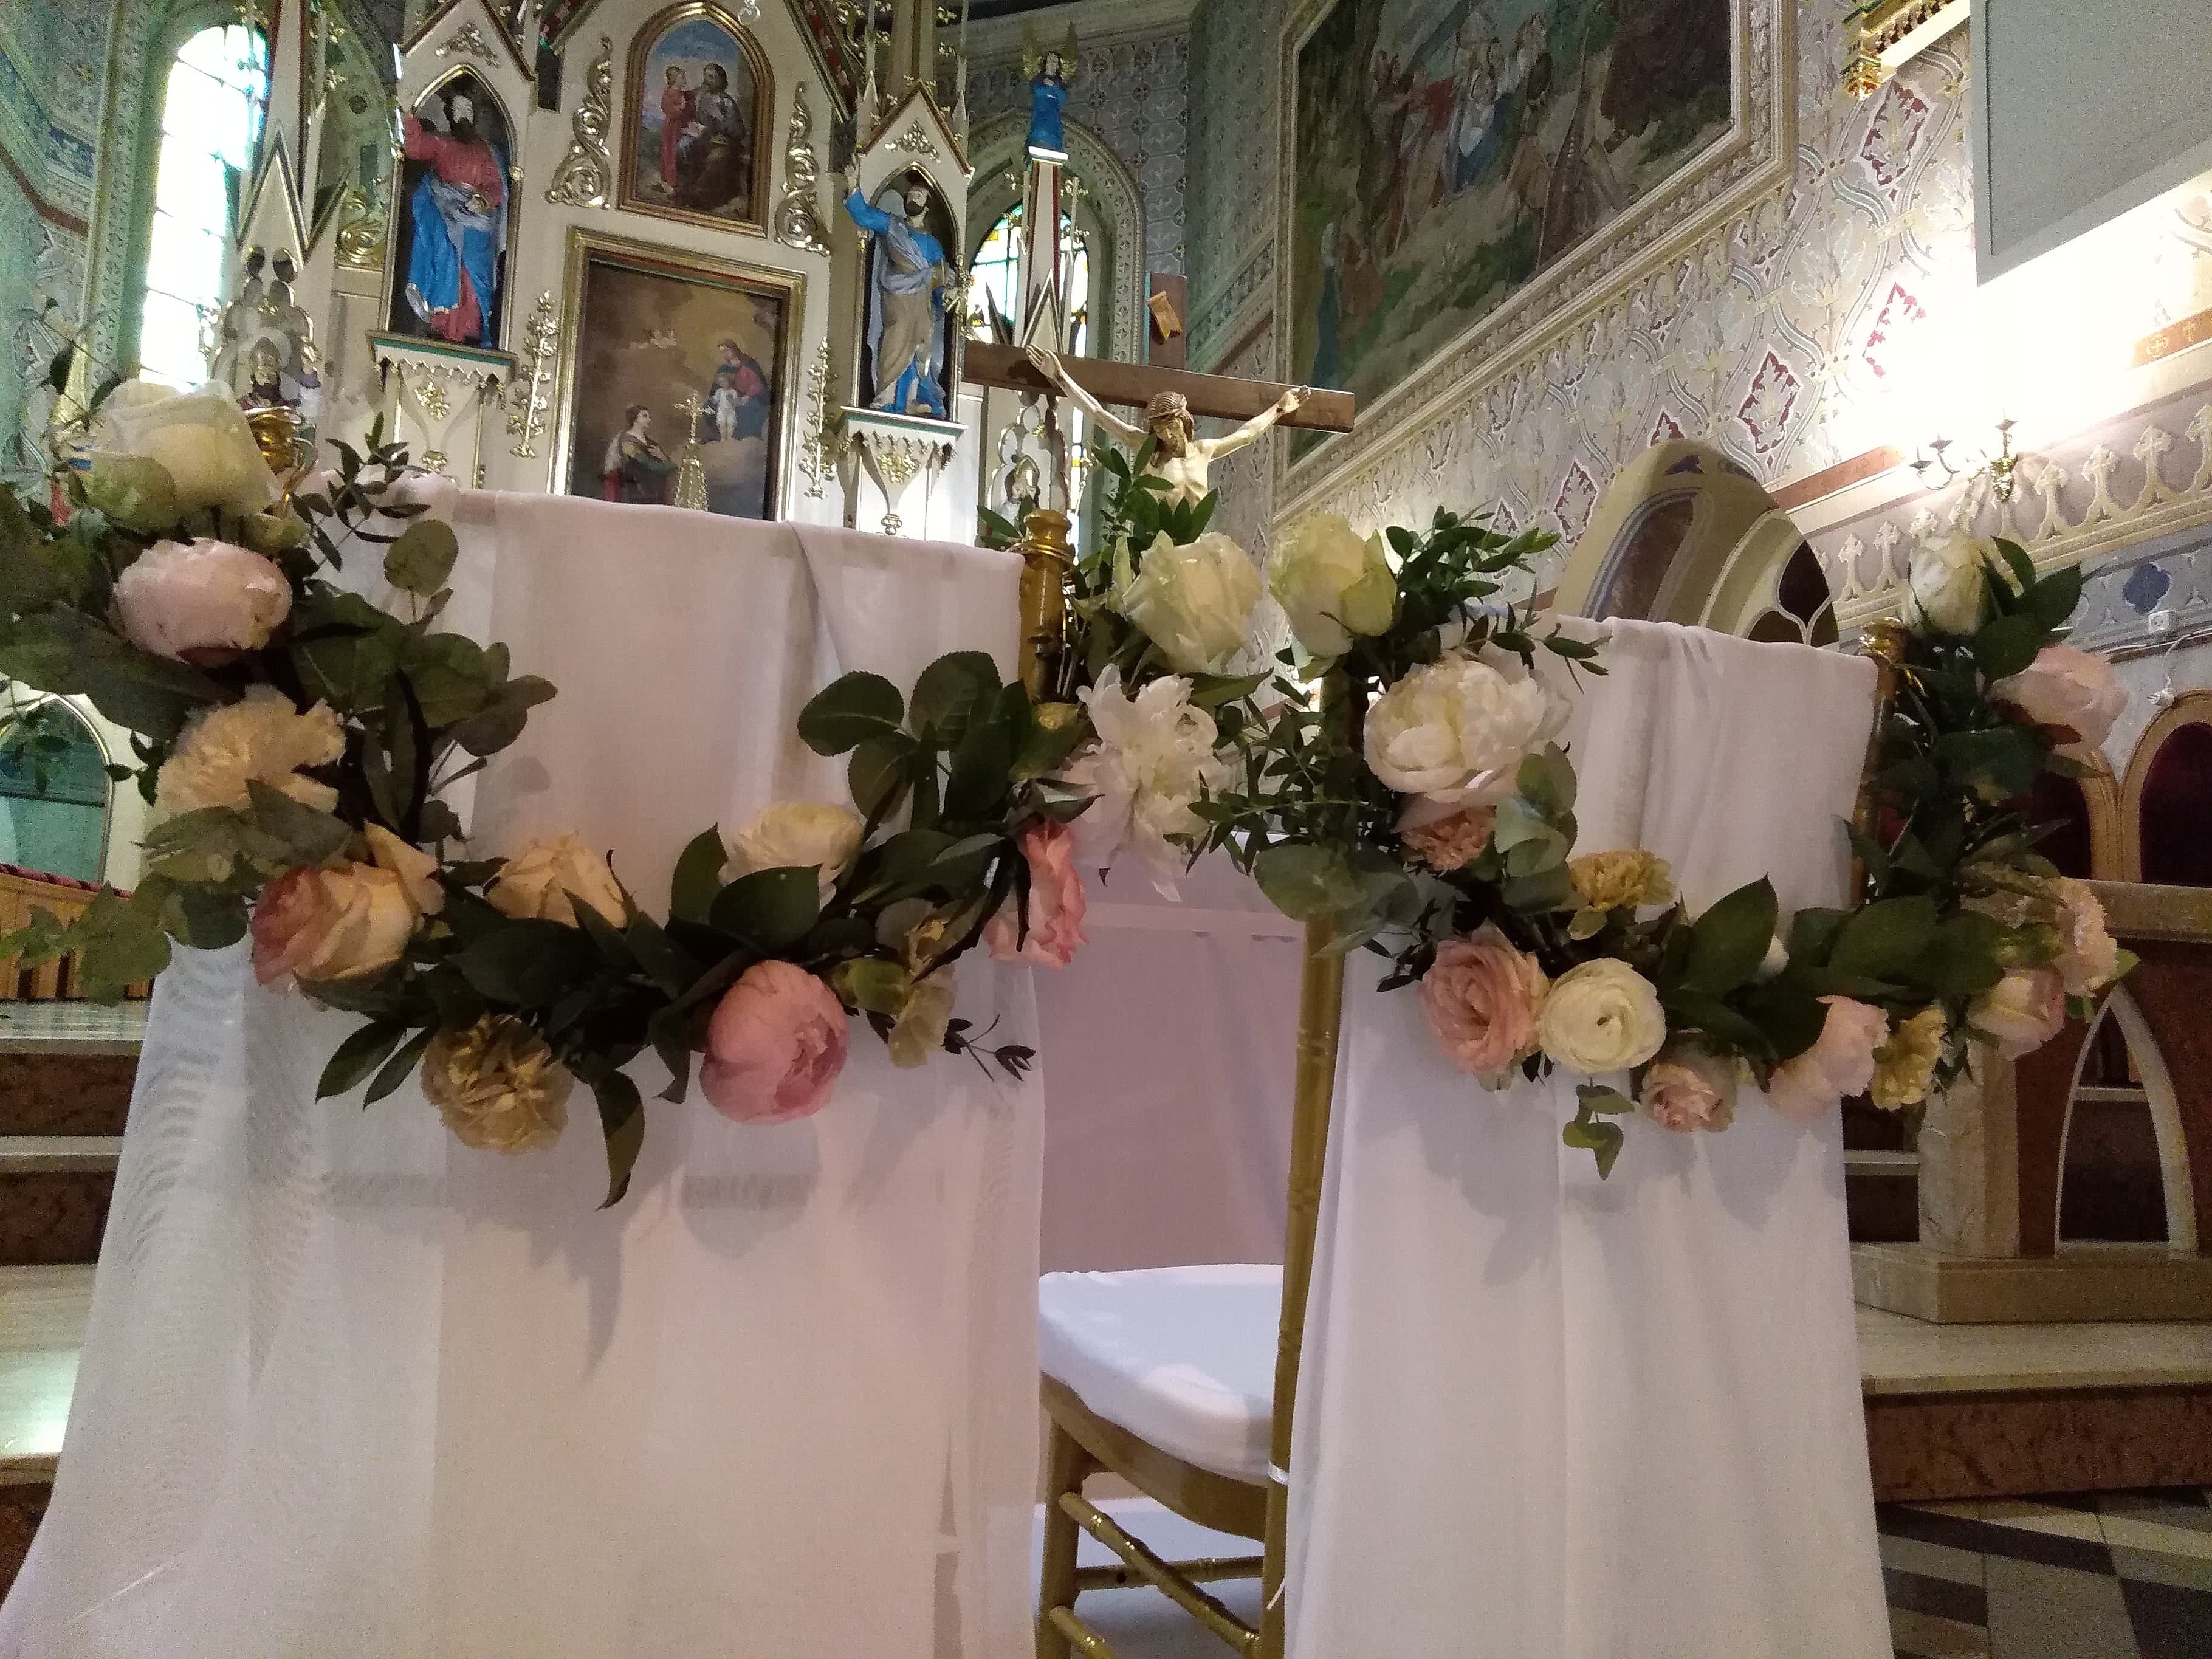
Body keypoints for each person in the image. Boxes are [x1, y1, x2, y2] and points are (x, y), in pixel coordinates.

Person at [1025, 345, 1309, 506]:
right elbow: (1097, 414)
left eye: (1171, 426)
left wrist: (1280, 408)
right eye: (1160, 431)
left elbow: (1246, 434)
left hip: (1197, 552)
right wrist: (1060, 377)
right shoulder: (1148, 450)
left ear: (1184, 421)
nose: (1167, 435)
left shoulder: (1204, 450)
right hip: (1159, 551)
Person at [401, 91, 507, 348]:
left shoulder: (488, 152)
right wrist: (409, 115)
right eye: (458, 110)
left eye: (468, 110)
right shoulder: (443, 144)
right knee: (446, 257)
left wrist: (483, 199)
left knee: (475, 272)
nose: (464, 116)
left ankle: (473, 327)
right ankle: (444, 324)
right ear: (450, 115)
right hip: (446, 210)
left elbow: (497, 185)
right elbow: (415, 148)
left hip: (479, 218)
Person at [843, 182, 950, 417]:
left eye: (919, 194)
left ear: (927, 206)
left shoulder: (933, 245)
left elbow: (939, 282)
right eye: (911, 194)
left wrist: (947, 295)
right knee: (897, 335)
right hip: (896, 294)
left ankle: (909, 400)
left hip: (921, 303)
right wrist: (852, 184)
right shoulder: (892, 225)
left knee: (918, 345)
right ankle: (886, 397)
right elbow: (863, 215)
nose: (913, 197)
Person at [675, 62, 748, 215]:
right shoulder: (703, 98)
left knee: (714, 160)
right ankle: (683, 190)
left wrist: (720, 120)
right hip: (704, 139)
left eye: (712, 77)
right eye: (706, 76)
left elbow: (738, 131)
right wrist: (695, 127)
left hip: (723, 143)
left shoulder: (727, 103)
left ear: (721, 80)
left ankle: (702, 198)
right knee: (683, 147)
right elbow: (698, 118)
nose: (707, 80)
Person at [602, 405, 676, 503]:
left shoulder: (650, 442)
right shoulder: (627, 442)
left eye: (649, 417)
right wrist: (671, 466)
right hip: (636, 490)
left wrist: (663, 458)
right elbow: (648, 465)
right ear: (635, 419)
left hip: (653, 489)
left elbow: (663, 460)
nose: (649, 419)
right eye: (645, 416)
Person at [704, 338, 771, 442]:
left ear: (734, 350)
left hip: (748, 396)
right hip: (726, 398)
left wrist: (746, 397)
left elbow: (759, 383)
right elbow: (716, 388)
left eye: (727, 350)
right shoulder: (723, 368)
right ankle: (718, 435)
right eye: (723, 352)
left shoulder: (749, 364)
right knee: (708, 407)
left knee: (752, 406)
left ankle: (746, 437)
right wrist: (714, 396)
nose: (725, 354)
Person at [1027, 49, 1070, 157]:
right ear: (1045, 63)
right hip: (1042, 112)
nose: (1052, 63)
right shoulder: (1039, 79)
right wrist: (1052, 90)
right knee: (1041, 131)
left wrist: (1053, 86)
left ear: (1058, 66)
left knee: (1054, 133)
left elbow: (1062, 98)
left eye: (1055, 61)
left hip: (1053, 114)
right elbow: (1038, 92)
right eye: (1050, 60)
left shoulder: (1059, 82)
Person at [656, 66, 692, 193]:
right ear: (674, 80)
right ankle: (669, 181)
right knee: (669, 153)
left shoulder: (682, 94)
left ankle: (675, 180)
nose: (685, 79)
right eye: (682, 77)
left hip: (680, 126)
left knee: (677, 153)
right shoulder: (669, 93)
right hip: (671, 127)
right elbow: (667, 109)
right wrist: (680, 108)